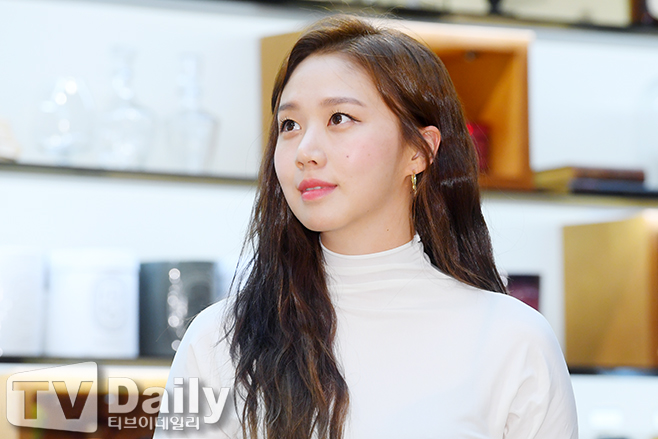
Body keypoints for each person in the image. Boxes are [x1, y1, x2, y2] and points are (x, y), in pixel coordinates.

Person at [154, 15, 578, 439]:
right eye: (290, 125)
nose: (305, 151)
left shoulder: (514, 341)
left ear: (419, 150)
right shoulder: (215, 341)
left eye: (339, 118)